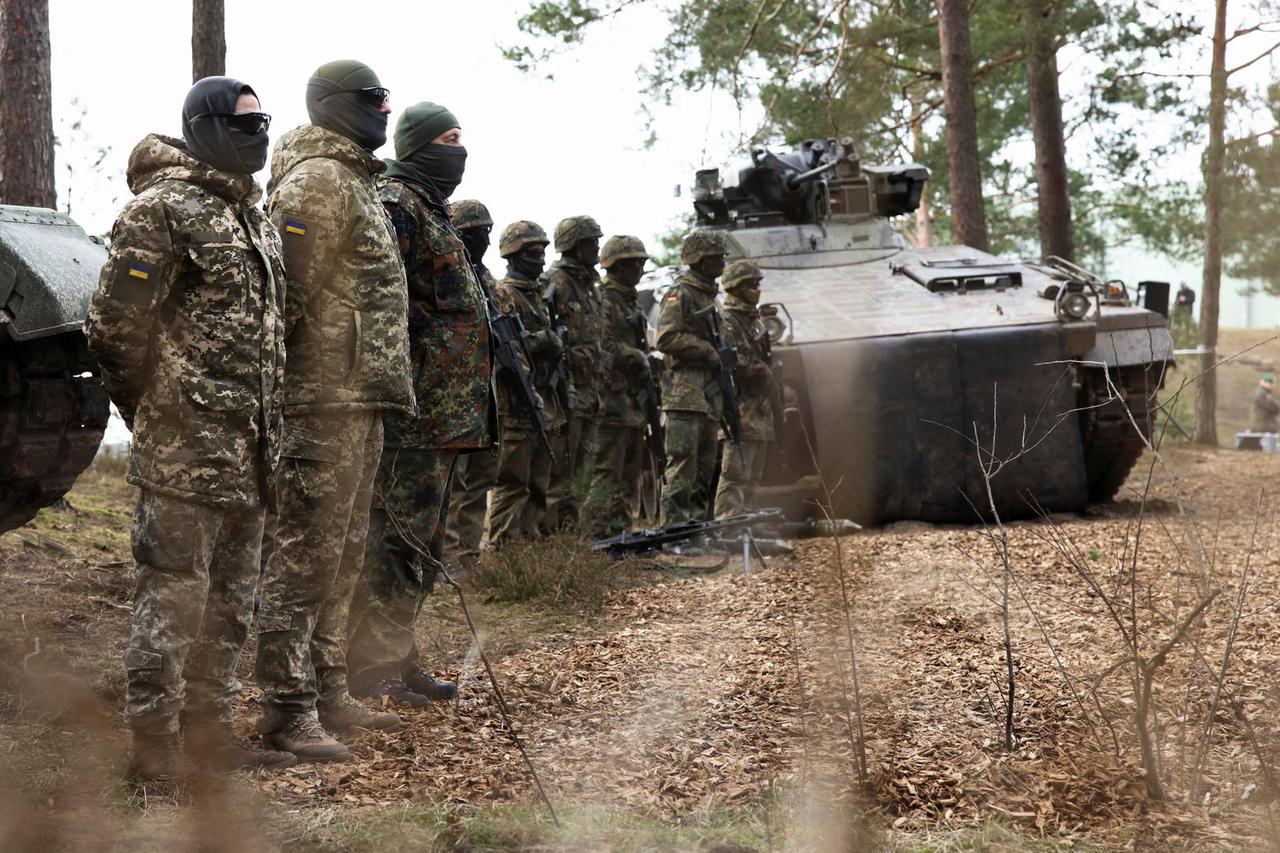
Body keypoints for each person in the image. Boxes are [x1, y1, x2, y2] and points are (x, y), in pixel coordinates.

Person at [85, 76, 296, 779]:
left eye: (265, 121)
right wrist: (154, 413)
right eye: (244, 123)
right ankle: (154, 752)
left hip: (253, 453)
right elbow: (115, 329)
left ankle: (208, 741)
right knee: (171, 605)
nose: (259, 131)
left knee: (230, 610)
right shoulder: (161, 212)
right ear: (205, 127)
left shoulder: (255, 217)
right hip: (184, 453)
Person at [254, 60, 413, 763]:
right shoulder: (317, 181)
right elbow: (282, 295)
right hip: (318, 400)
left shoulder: (355, 181)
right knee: (304, 557)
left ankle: (327, 690)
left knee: (343, 558)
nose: (384, 109)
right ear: (335, 106)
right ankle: (287, 709)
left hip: (358, 397)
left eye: (387, 99)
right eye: (372, 99)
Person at [346, 102, 493, 708]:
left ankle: (396, 659)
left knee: (420, 546)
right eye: (448, 138)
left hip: (445, 414)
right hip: (415, 413)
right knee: (398, 545)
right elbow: (380, 304)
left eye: (462, 138)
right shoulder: (397, 205)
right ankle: (369, 670)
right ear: (417, 145)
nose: (459, 149)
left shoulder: (430, 210)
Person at [488, 221, 567, 543]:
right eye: (534, 253)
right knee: (513, 482)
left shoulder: (538, 296)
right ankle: (504, 550)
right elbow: (501, 344)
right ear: (514, 255)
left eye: (544, 252)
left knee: (539, 481)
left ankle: (530, 547)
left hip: (544, 400)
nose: (542, 259)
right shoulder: (507, 294)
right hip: (518, 402)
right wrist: (542, 340)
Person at [656, 231, 729, 551]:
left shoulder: (711, 297)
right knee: (683, 465)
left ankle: (697, 530)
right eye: (716, 257)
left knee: (704, 468)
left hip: (708, 395)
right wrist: (707, 350)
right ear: (699, 259)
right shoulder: (681, 294)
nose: (722, 262)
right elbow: (666, 338)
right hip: (685, 394)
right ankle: (674, 534)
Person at [444, 199, 503, 563]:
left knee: (481, 479)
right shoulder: (447, 271)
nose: (484, 240)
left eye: (487, 232)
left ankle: (468, 556)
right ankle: (448, 557)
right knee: (455, 481)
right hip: (454, 394)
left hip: (485, 393)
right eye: (477, 233)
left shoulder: (488, 280)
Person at [585, 235, 652, 537]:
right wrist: (636, 356)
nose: (639, 268)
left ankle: (621, 532)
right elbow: (604, 346)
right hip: (611, 402)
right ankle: (599, 537)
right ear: (616, 266)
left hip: (631, 403)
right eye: (633, 263)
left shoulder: (629, 299)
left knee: (629, 475)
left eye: (641, 262)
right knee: (606, 474)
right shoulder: (605, 299)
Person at [543, 216, 606, 528]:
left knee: (582, 473)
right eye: (591, 242)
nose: (597, 248)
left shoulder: (590, 286)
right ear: (575, 245)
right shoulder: (555, 283)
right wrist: (570, 355)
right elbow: (544, 338)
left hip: (590, 393)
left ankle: (569, 542)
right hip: (566, 393)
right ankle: (551, 545)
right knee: (560, 474)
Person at [713, 260, 775, 518]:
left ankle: (747, 523)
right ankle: (728, 523)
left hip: (758, 410)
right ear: (736, 287)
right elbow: (729, 359)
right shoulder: (728, 321)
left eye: (758, 283)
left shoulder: (753, 320)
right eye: (751, 284)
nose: (757, 288)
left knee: (753, 476)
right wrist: (760, 369)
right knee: (736, 474)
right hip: (740, 409)